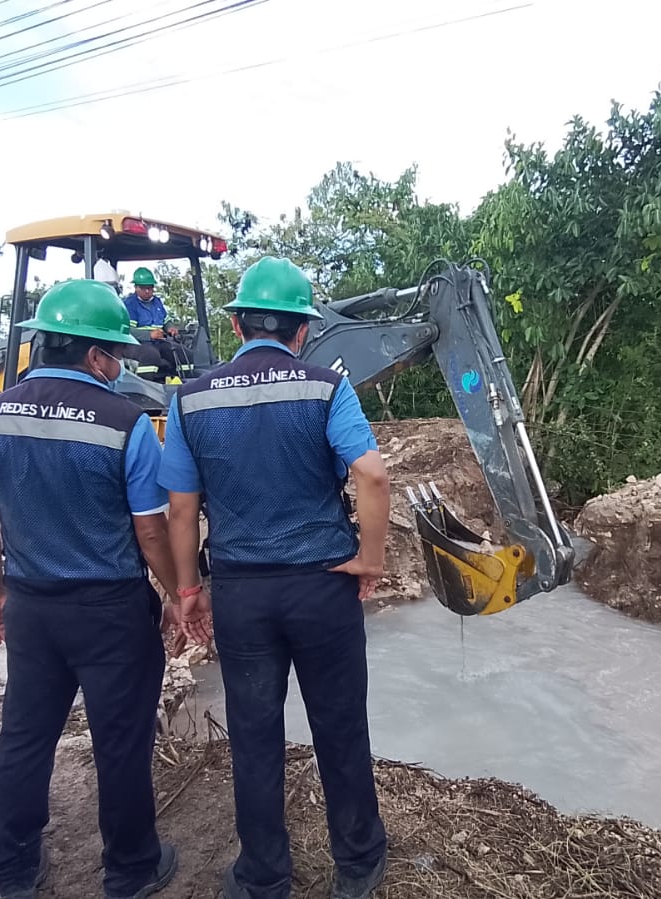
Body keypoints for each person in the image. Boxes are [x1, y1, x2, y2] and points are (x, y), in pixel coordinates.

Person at [159, 257, 391, 899]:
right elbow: (371, 476)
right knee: (340, 724)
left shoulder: (191, 398)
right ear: (302, 330)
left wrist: (186, 591)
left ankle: (263, 876)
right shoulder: (325, 388)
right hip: (322, 587)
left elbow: (181, 508)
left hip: (243, 594)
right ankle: (358, 862)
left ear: (236, 324)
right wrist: (370, 559)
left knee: (255, 734)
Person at [0, 278, 199, 899]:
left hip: (33, 605)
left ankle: (12, 871)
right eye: (116, 354)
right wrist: (178, 594)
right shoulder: (126, 423)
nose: (120, 366)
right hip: (110, 612)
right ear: (96, 356)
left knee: (25, 736)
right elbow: (150, 533)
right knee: (120, 741)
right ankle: (130, 870)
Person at [122, 267, 182, 381]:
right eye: (143, 288)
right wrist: (149, 335)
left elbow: (165, 321)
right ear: (136, 287)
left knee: (181, 353)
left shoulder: (157, 302)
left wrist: (170, 328)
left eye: (150, 288)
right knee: (151, 355)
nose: (147, 291)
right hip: (137, 343)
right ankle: (145, 386)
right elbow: (128, 330)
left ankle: (181, 385)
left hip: (159, 341)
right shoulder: (130, 304)